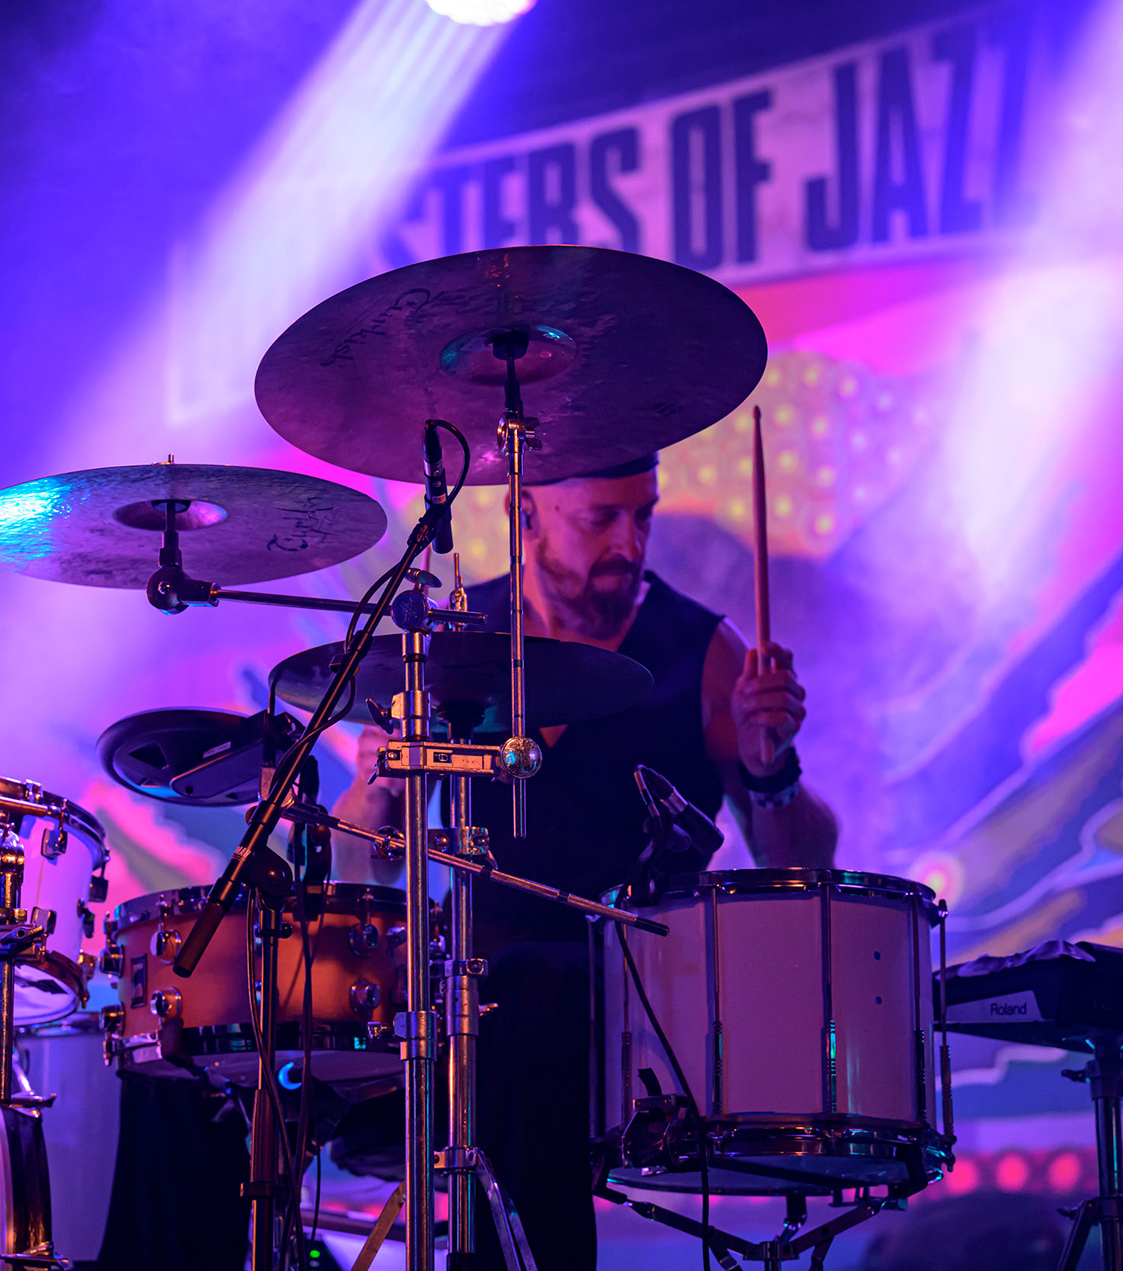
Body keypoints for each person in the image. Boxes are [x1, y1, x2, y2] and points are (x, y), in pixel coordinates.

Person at [331, 451, 838, 1270]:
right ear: (524, 513)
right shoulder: (453, 642)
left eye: (644, 515)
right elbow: (366, 868)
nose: (630, 544)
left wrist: (772, 768)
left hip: (641, 999)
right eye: (602, 519)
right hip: (469, 989)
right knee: (214, 1051)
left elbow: (800, 861)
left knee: (530, 988)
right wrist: (377, 790)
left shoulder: (702, 650)